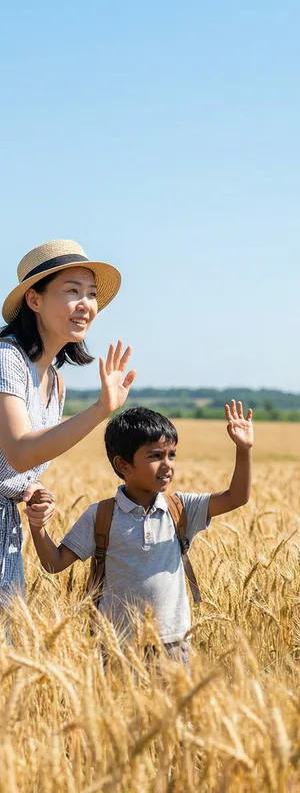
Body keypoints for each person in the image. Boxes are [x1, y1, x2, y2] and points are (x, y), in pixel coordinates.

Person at [24, 403, 253, 664]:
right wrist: (37, 525)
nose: (167, 465)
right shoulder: (101, 516)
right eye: (155, 456)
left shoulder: (180, 508)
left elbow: (237, 497)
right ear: (123, 465)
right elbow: (54, 563)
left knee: (172, 706)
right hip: (117, 646)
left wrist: (243, 449)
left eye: (172, 455)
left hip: (173, 643)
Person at [0, 239, 134, 616]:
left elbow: (19, 464)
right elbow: (20, 451)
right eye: (72, 291)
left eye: (91, 294)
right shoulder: (6, 358)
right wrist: (100, 410)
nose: (85, 305)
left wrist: (31, 489)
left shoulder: (56, 382)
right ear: (35, 300)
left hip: (7, 533)